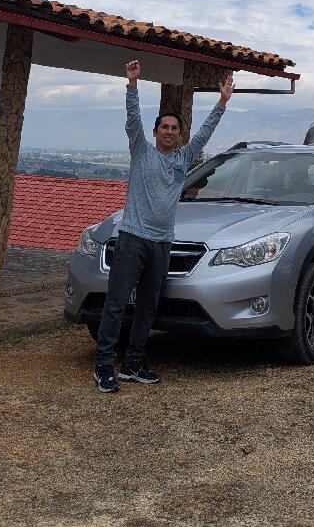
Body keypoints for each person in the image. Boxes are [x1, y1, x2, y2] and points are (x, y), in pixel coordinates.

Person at [93, 59, 234, 393]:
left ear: (179, 134)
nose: (169, 132)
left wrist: (222, 102)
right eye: (164, 127)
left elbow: (205, 134)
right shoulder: (142, 152)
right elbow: (131, 122)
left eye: (174, 128)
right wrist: (132, 85)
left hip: (161, 243)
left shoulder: (184, 160)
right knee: (115, 303)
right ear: (155, 132)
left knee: (148, 306)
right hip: (132, 238)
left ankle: (133, 363)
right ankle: (103, 367)